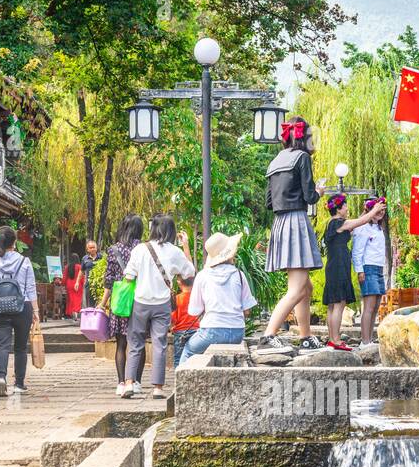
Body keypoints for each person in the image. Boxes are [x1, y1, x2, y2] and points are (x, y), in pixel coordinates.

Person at [256, 116, 324, 352]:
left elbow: (267, 202)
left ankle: (306, 336)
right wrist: (319, 192)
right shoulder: (302, 157)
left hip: (280, 223)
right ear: (303, 138)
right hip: (296, 221)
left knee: (306, 288)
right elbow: (309, 197)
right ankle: (268, 335)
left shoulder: (275, 161)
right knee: (296, 289)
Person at [121, 213, 195, 400]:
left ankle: (129, 384)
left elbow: (128, 275)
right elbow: (190, 272)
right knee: (159, 345)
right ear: (171, 231)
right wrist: (185, 246)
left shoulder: (140, 249)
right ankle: (158, 388)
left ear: (153, 228)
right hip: (162, 305)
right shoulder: (174, 252)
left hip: (140, 303)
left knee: (135, 343)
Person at [178, 231, 258, 364]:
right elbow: (247, 310)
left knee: (189, 350)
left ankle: (180, 383)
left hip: (211, 331)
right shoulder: (239, 274)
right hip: (237, 332)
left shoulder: (202, 276)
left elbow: (194, 311)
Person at [322, 193, 385, 349]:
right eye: (345, 206)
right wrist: (374, 209)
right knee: (338, 303)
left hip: (335, 265)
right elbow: (361, 222)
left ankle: (332, 339)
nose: (347, 208)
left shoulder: (334, 223)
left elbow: (357, 223)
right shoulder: (337, 223)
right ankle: (336, 340)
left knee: (333, 304)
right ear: (338, 208)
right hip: (338, 266)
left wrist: (367, 211)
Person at [0, 226, 39, 397]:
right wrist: (36, 311)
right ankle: (19, 384)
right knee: (20, 347)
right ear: (14, 243)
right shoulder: (24, 261)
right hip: (22, 307)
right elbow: (30, 288)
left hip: (0, 309)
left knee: (2, 346)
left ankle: (1, 378)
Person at [98, 214, 144, 396]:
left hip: (120, 301)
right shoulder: (143, 248)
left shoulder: (113, 249)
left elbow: (108, 280)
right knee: (138, 343)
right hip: (139, 299)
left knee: (121, 344)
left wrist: (102, 303)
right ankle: (137, 382)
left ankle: (121, 383)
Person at [351, 197, 390, 340]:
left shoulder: (379, 228)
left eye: (383, 210)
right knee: (369, 306)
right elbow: (356, 251)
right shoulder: (362, 228)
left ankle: (370, 339)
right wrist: (360, 270)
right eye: (378, 210)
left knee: (376, 307)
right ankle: (365, 341)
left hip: (379, 269)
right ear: (369, 209)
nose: (381, 213)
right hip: (368, 268)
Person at [63, 252, 84, 319]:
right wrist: (84, 284)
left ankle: (69, 313)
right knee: (77, 299)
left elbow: (64, 277)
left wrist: (63, 283)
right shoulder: (79, 267)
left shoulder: (67, 267)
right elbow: (82, 277)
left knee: (70, 300)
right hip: (78, 284)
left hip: (69, 285)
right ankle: (75, 311)